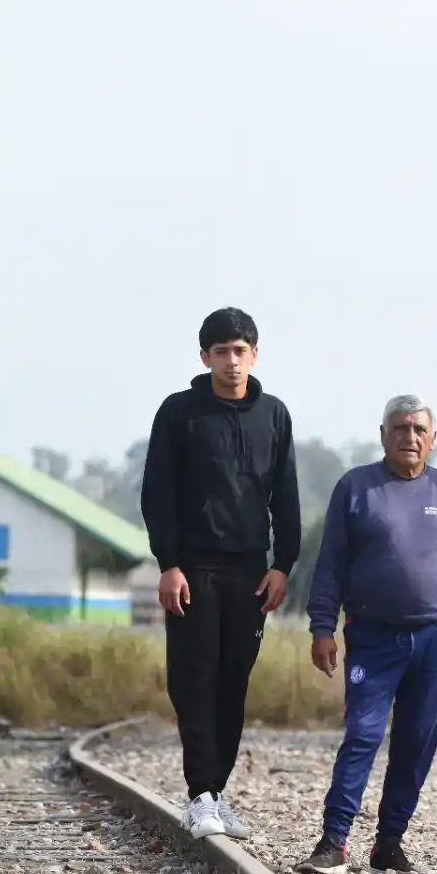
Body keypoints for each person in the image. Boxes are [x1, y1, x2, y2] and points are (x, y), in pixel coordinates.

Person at [295, 394, 437, 874]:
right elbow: (331, 565)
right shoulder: (357, 487)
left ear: (433, 439)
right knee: (361, 734)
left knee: (416, 742)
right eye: (399, 428)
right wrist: (322, 628)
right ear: (383, 435)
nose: (409, 437)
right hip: (372, 637)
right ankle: (334, 841)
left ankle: (389, 843)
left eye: (418, 429)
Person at [140, 307, 301, 840]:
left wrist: (283, 565)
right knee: (195, 680)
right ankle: (200, 795)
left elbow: (286, 497)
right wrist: (168, 564)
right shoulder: (180, 412)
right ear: (204, 356)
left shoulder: (274, 416)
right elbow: (157, 495)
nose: (231, 361)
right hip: (194, 571)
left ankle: (216, 792)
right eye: (221, 352)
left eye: (240, 351)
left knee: (234, 682)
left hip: (250, 575)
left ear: (255, 355)